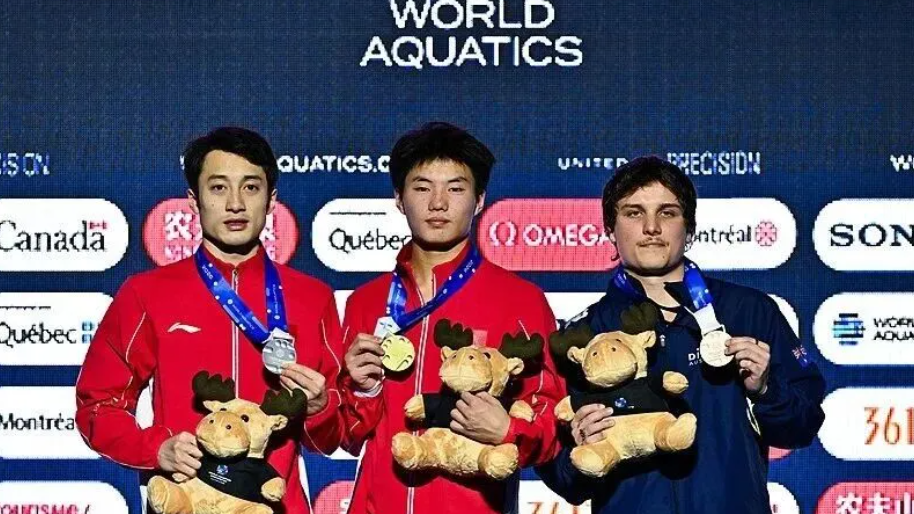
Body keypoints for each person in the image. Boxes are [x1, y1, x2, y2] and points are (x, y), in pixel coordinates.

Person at [75, 127, 344, 514]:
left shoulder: (313, 298)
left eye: (251, 188)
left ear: (271, 199)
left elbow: (329, 440)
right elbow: (98, 405)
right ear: (193, 200)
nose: (235, 204)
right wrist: (155, 449)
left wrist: (320, 409)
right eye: (218, 188)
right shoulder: (146, 293)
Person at [535, 156, 826, 514]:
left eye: (668, 213)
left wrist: (766, 390)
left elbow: (803, 427)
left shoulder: (749, 311)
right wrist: (579, 450)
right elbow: (563, 477)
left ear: (689, 228)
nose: (651, 227)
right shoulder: (583, 336)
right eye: (634, 213)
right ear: (610, 229)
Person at [339, 122, 565, 514]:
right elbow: (347, 436)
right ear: (399, 198)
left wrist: (509, 430)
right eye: (422, 188)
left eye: (456, 189)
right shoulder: (366, 302)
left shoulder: (522, 301)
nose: (438, 203)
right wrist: (363, 392)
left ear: (479, 200)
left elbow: (552, 423)